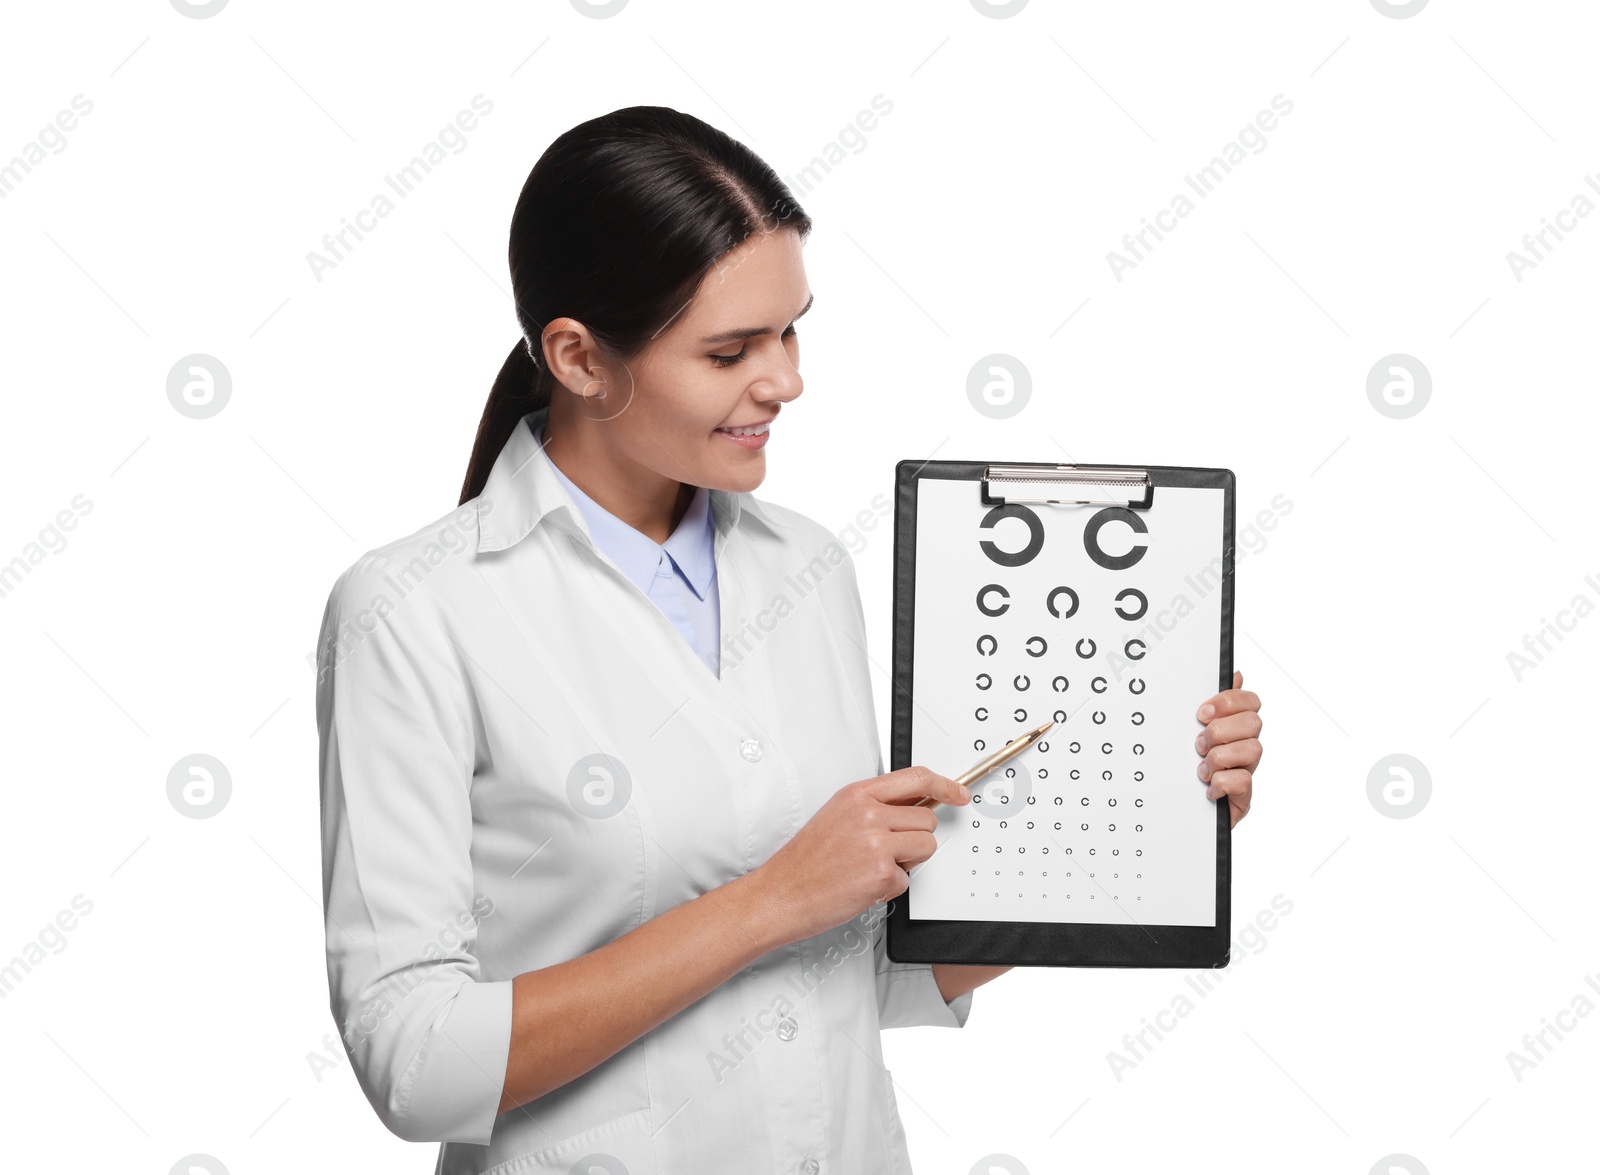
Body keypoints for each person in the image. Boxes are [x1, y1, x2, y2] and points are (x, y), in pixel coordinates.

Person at [313, 105, 1264, 1175]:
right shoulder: (411, 612)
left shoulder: (807, 569)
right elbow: (415, 1060)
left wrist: (1150, 816)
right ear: (579, 357)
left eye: (791, 328)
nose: (785, 379)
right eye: (729, 350)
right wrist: (766, 901)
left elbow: (858, 978)